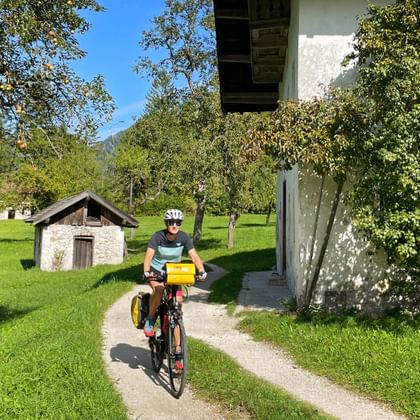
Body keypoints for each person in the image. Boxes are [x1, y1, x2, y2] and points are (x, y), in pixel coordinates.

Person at [143, 209, 207, 343]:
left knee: (177, 308)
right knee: (159, 290)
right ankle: (150, 319)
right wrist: (147, 271)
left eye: (178, 223)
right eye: (171, 222)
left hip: (173, 273)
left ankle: (178, 351)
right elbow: (148, 256)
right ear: (166, 223)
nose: (174, 225)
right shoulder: (157, 237)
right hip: (156, 271)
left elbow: (194, 256)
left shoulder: (183, 237)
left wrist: (201, 270)